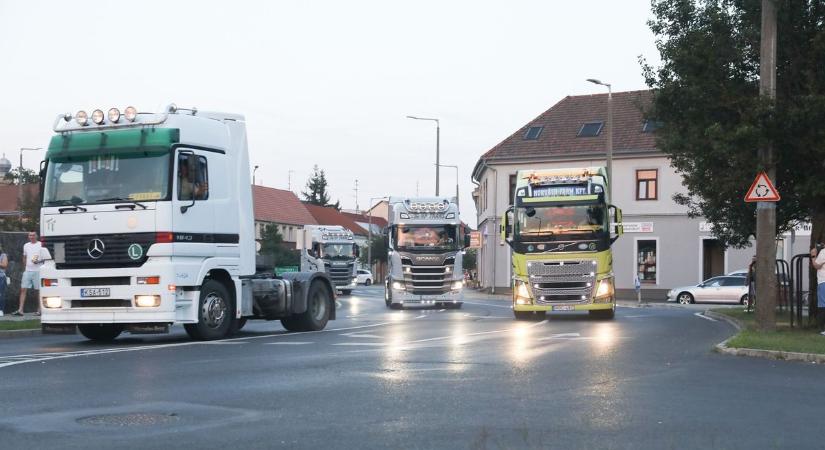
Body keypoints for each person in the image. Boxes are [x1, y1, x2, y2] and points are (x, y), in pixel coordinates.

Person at [14, 231, 43, 316]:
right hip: (28, 270)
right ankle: (20, 310)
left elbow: (46, 257)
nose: (32, 236)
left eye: (33, 235)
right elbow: (24, 257)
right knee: (23, 289)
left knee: (39, 291)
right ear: (28, 236)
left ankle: (40, 310)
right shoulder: (26, 245)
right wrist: (25, 267)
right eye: (30, 235)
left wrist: (39, 261)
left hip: (38, 270)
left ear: (36, 236)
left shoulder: (41, 244)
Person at [810, 245, 825, 334]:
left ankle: (823, 329)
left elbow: (816, 265)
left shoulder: (824, 252)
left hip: (823, 281)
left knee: (823, 305)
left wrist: (813, 255)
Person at [0, 245, 7, 317]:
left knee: (1, 294)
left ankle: (1, 310)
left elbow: (4, 265)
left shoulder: (3, 255)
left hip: (1, 276)